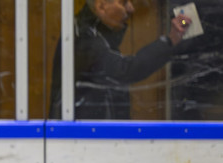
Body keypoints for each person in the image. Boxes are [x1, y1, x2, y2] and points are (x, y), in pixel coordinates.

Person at [49, 0, 192, 119]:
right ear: (101, 6)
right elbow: (124, 70)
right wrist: (170, 40)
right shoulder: (84, 38)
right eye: (123, 2)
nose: (131, 8)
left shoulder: (93, 33)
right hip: (86, 138)